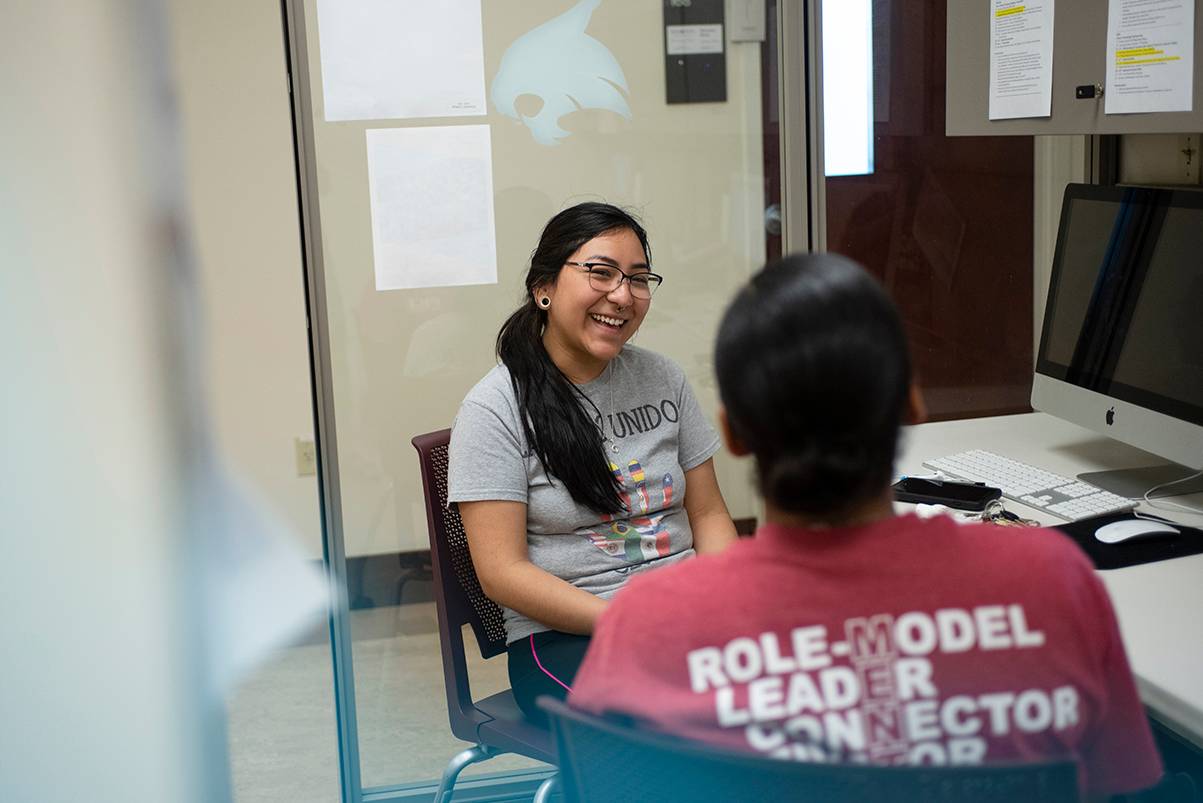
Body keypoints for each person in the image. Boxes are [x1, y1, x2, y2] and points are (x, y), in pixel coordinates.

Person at [570, 253, 1163, 798]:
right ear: (912, 405)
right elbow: (1119, 785)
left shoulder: (648, 628)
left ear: (734, 434)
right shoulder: (1054, 582)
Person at [447, 202, 738, 722]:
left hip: (686, 618)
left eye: (639, 279)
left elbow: (711, 514)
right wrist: (632, 623)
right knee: (694, 716)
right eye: (600, 273)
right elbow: (501, 573)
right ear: (545, 288)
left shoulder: (663, 378)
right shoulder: (493, 409)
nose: (622, 296)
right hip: (571, 636)